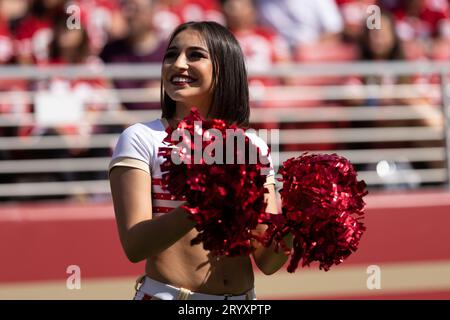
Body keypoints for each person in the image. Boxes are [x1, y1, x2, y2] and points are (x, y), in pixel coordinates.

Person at [108, 21, 292, 300]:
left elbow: (268, 261)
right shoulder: (142, 138)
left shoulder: (252, 146)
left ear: (225, 66)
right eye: (171, 55)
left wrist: (302, 219)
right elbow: (135, 246)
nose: (178, 64)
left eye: (195, 55)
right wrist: (204, 203)